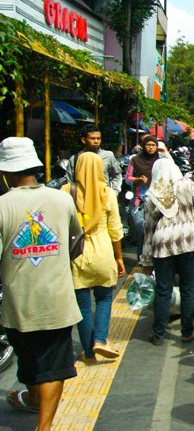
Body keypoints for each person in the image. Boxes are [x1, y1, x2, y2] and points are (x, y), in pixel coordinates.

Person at [0, 137, 82, 431]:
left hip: (17, 303)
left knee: (30, 361)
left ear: (6, 172)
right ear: (36, 166)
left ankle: (35, 403)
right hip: (56, 301)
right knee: (53, 367)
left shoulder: (2, 205)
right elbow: (77, 238)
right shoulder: (62, 201)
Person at [139, 158, 194, 345]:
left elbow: (148, 230)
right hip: (190, 241)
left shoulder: (152, 194)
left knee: (163, 289)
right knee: (189, 289)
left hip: (162, 245)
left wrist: (146, 261)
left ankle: (159, 334)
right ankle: (187, 332)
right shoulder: (187, 185)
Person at [62, 153, 125, 363]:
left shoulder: (65, 192)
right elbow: (115, 230)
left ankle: (89, 354)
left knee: (83, 306)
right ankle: (100, 340)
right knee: (105, 298)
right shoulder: (107, 194)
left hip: (75, 254)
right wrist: (119, 258)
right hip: (103, 251)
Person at [124, 135, 160, 265]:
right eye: (148, 145)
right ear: (143, 146)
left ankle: (156, 259)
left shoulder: (160, 161)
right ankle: (142, 258)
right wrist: (137, 180)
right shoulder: (135, 160)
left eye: (153, 145)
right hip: (139, 201)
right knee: (141, 231)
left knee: (156, 231)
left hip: (157, 201)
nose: (150, 148)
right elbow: (127, 179)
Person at [66, 124, 122, 193]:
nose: (96, 141)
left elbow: (117, 174)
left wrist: (114, 192)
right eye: (92, 138)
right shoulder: (75, 159)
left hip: (103, 198)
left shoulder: (108, 156)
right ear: (83, 140)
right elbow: (69, 182)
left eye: (98, 138)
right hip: (82, 200)